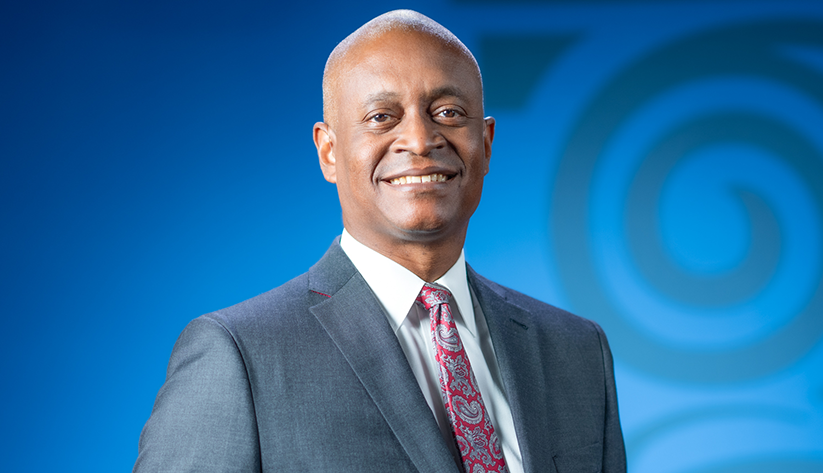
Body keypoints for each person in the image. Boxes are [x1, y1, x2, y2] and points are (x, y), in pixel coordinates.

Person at [134, 9, 625, 473]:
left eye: (449, 112)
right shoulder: (239, 355)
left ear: (487, 142)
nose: (419, 138)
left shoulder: (576, 351)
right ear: (328, 151)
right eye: (381, 117)